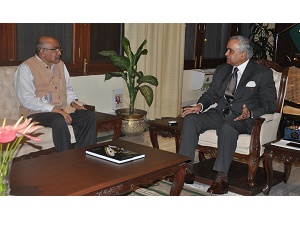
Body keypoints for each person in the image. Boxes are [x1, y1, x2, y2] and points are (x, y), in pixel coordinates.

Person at [178, 35, 277, 194]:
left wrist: (251, 113)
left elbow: (270, 104)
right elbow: (211, 94)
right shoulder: (222, 69)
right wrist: (199, 106)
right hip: (221, 112)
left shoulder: (262, 73)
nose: (226, 53)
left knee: (227, 127)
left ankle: (221, 178)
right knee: (191, 120)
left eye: (230, 51)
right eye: (227, 50)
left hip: (242, 118)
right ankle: (186, 168)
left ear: (243, 55)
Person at [14, 36, 97, 152]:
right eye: (56, 50)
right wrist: (55, 110)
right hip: (35, 113)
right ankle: (64, 159)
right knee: (58, 120)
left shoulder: (61, 65)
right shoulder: (26, 68)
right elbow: (27, 100)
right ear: (43, 51)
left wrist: (73, 103)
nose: (59, 53)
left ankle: (82, 156)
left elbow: (68, 90)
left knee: (88, 116)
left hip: (61, 109)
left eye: (60, 50)